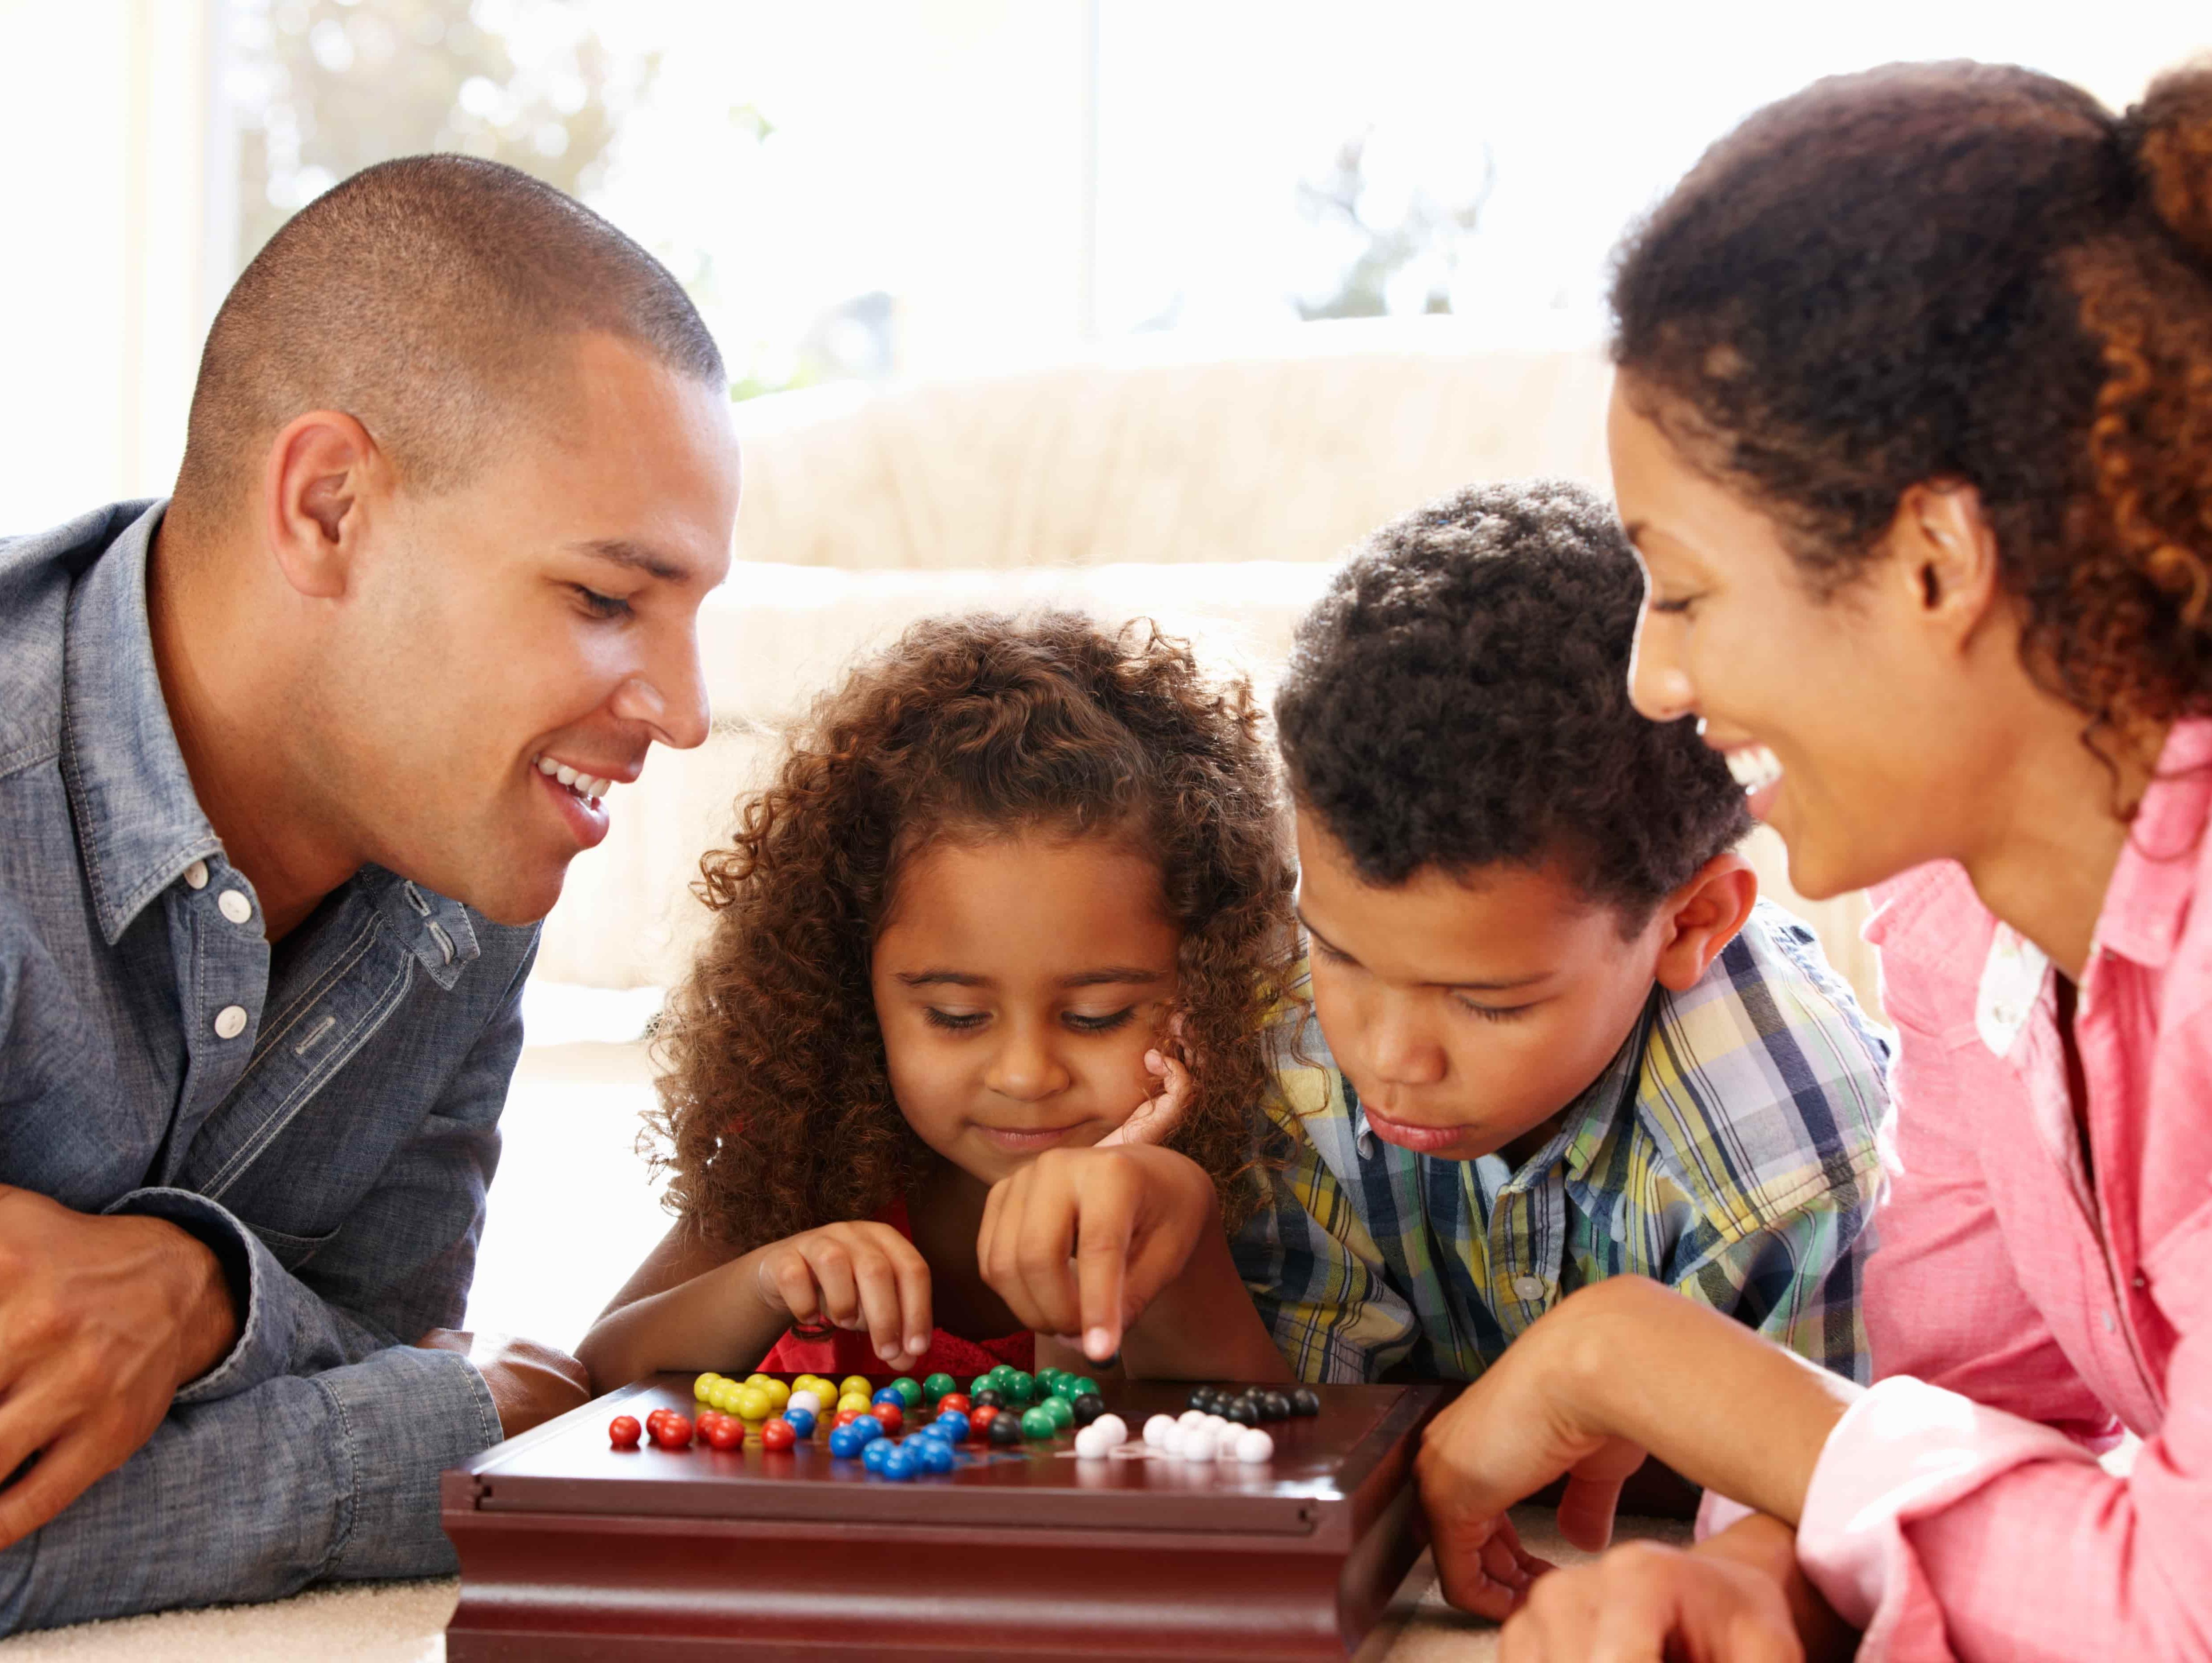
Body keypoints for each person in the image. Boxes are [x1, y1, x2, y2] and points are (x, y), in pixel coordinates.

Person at [1411, 59, 2212, 1662]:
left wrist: (1637, 1362)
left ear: (1935, 560)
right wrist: (1760, 1573)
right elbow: (1945, 1402)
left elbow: (2185, 1606)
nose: (1653, 679)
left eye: (1687, 592)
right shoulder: (1966, 926)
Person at [0, 155, 740, 1633]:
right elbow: (446, 1404)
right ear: (329, 507)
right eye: (605, 598)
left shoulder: (468, 877)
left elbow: (390, 1333)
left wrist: (198, 1293)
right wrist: (447, 1434)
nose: (688, 708)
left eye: (689, 611)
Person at [1230, 481, 1889, 1532]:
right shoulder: (1284, 1044)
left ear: (1689, 926)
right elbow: (1306, 1432)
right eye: (1340, 955)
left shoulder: (1783, 1154)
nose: (1390, 1056)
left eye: (1488, 1004)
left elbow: (1817, 1500)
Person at [576, 613, 1299, 1390]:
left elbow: (1246, 1456)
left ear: (1213, 977)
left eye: (1097, 1017)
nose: (1025, 1077)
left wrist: (1121, 1226)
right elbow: (589, 1377)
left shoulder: (1265, 1172)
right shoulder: (805, 1158)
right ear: (856, 990)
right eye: (956, 1017)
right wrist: (764, 1283)